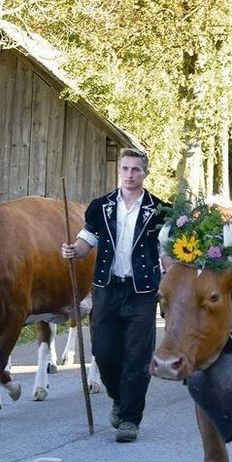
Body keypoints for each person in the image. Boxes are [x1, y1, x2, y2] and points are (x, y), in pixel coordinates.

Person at [61, 148, 167, 443]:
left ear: (145, 173)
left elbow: (165, 252)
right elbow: (86, 242)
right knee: (104, 352)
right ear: (118, 171)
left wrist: (174, 278)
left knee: (137, 356)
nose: (130, 175)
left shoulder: (159, 210)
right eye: (125, 169)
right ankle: (119, 398)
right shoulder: (101, 206)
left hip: (142, 291)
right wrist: (73, 251)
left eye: (136, 169)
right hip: (106, 288)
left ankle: (130, 419)